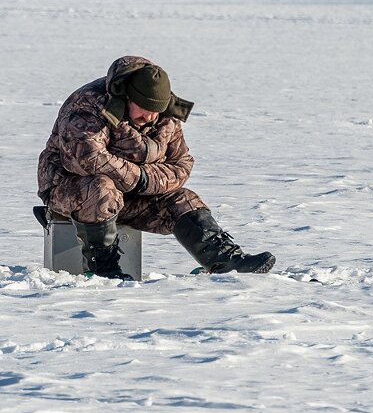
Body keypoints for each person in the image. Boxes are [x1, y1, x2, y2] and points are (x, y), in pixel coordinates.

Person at [37, 55, 275, 280]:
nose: (150, 117)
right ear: (128, 97)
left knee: (184, 199)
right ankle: (105, 268)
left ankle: (225, 262)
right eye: (144, 109)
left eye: (156, 111)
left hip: (132, 193)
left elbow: (181, 165)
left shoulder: (166, 113)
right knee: (102, 189)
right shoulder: (88, 104)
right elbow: (86, 159)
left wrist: (145, 181)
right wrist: (138, 178)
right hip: (68, 189)